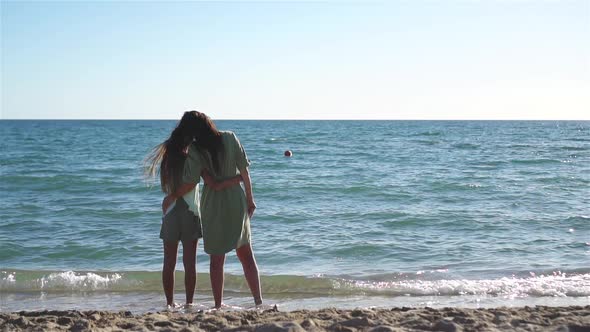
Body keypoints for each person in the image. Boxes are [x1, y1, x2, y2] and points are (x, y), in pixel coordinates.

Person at [163, 111, 262, 309]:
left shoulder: (195, 150)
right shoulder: (230, 137)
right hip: (236, 199)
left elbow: (192, 182)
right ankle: (258, 302)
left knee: (217, 259)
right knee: (246, 255)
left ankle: (218, 305)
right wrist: (250, 198)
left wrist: (172, 196)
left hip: (212, 204)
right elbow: (245, 171)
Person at [145, 112, 241, 308]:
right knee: (189, 264)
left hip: (170, 211)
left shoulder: (169, 150)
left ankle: (170, 304)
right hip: (189, 212)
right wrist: (239, 178)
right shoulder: (193, 153)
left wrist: (171, 196)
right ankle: (189, 303)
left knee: (169, 262)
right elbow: (206, 183)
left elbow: (168, 182)